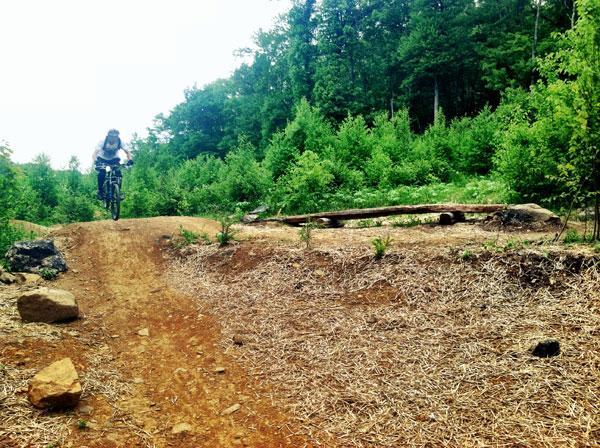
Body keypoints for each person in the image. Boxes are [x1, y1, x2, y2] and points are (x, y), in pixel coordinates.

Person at [93, 129, 132, 199]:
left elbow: (128, 152)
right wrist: (96, 161)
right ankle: (100, 191)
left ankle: (118, 192)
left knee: (118, 172)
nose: (113, 138)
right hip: (102, 158)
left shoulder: (120, 142)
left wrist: (130, 160)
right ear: (108, 136)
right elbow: (95, 153)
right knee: (102, 172)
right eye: (111, 136)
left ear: (117, 137)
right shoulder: (102, 142)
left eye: (115, 137)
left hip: (114, 159)